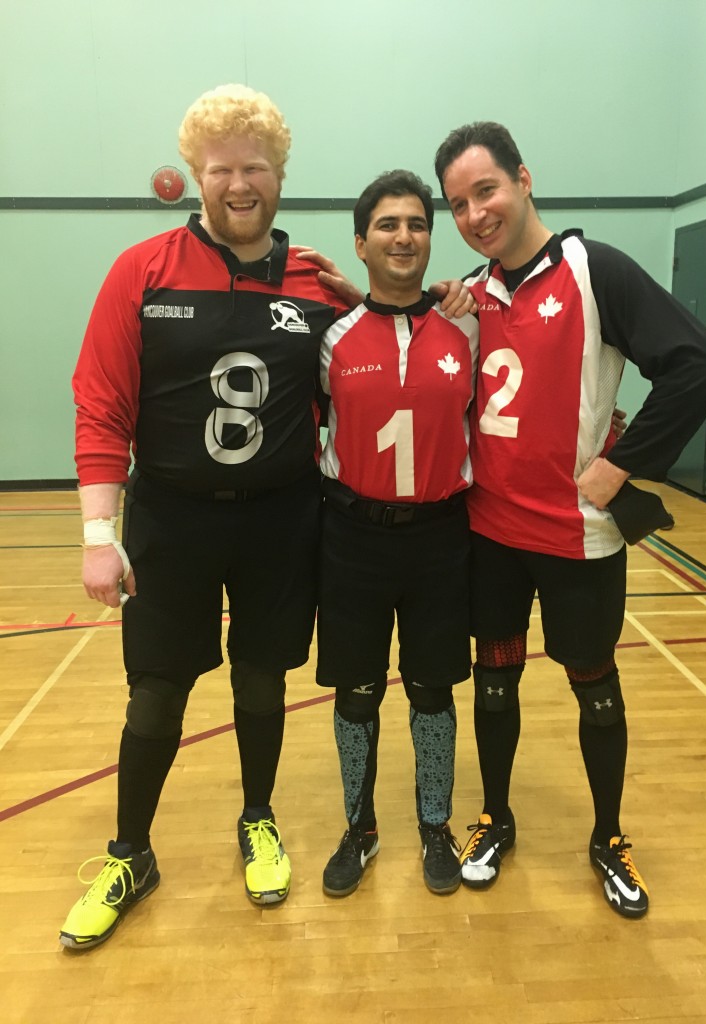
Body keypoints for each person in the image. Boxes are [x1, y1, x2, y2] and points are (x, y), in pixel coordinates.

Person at [60, 84, 355, 949]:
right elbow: (100, 407)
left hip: (279, 519)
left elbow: (369, 381)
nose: (239, 184)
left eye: (254, 167)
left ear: (279, 175)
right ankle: (130, 853)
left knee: (262, 677)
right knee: (156, 691)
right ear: (195, 173)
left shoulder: (317, 284)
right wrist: (98, 538)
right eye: (221, 168)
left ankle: (257, 817)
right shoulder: (141, 271)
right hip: (172, 519)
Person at [433, 122, 706, 918]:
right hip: (490, 535)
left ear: (524, 180)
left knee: (593, 685)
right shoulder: (471, 294)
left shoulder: (596, 271)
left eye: (485, 191)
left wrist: (622, 466)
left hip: (579, 537)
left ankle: (607, 837)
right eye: (458, 204)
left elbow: (699, 364)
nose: (475, 213)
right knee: (494, 679)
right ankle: (495, 819)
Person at [316, 171, 479, 897]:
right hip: (353, 539)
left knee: (433, 691)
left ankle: (435, 826)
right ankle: (359, 828)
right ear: (361, 243)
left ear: (429, 237)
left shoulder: (467, 328)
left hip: (442, 540)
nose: (404, 236)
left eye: (416, 223)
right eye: (387, 225)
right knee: (355, 694)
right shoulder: (332, 340)